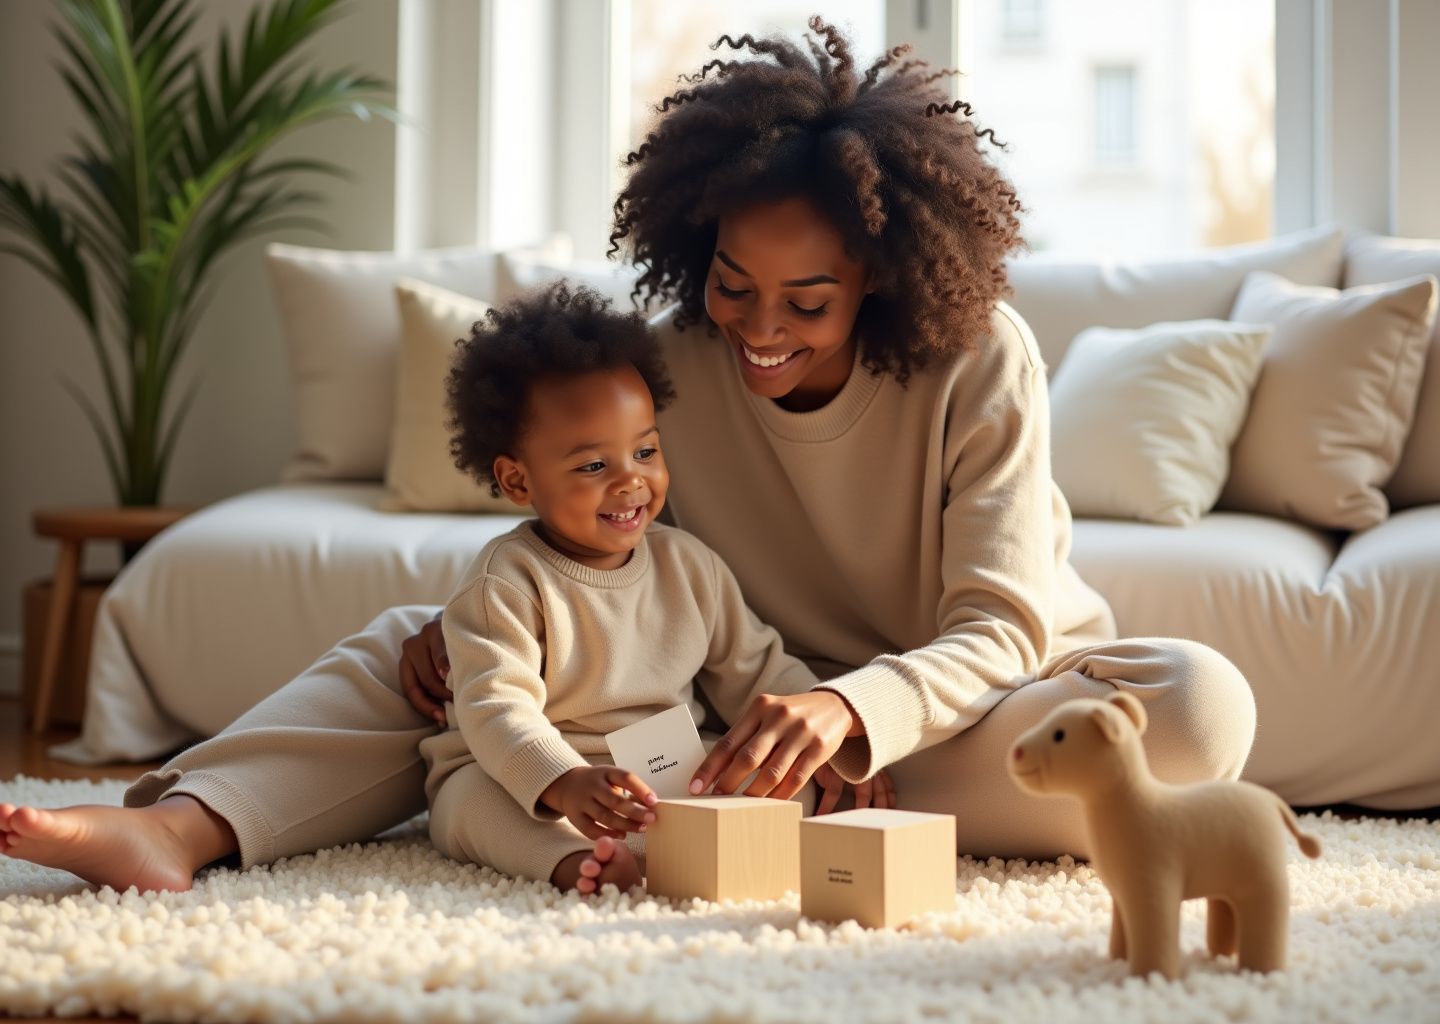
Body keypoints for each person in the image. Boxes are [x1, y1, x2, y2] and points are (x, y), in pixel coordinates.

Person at [0, 18, 1253, 894]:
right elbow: (602, 537)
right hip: (725, 712)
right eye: (732, 283)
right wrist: (483, 632)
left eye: (807, 302)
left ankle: (802, 804)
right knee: (426, 653)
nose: (759, 329)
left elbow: (1000, 626)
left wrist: (845, 712)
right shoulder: (667, 361)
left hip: (948, 715)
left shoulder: (977, 358)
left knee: (1196, 706)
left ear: (879, 276)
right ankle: (179, 829)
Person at [418, 281, 829, 894]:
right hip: (534, 777)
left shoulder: (689, 565)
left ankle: (695, 844)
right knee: (468, 803)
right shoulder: (507, 579)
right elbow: (495, 709)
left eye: (645, 451)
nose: (630, 481)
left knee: (787, 781)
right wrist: (563, 781)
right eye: (593, 465)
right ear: (518, 480)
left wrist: (822, 737)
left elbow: (760, 670)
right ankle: (571, 862)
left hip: (660, 775)